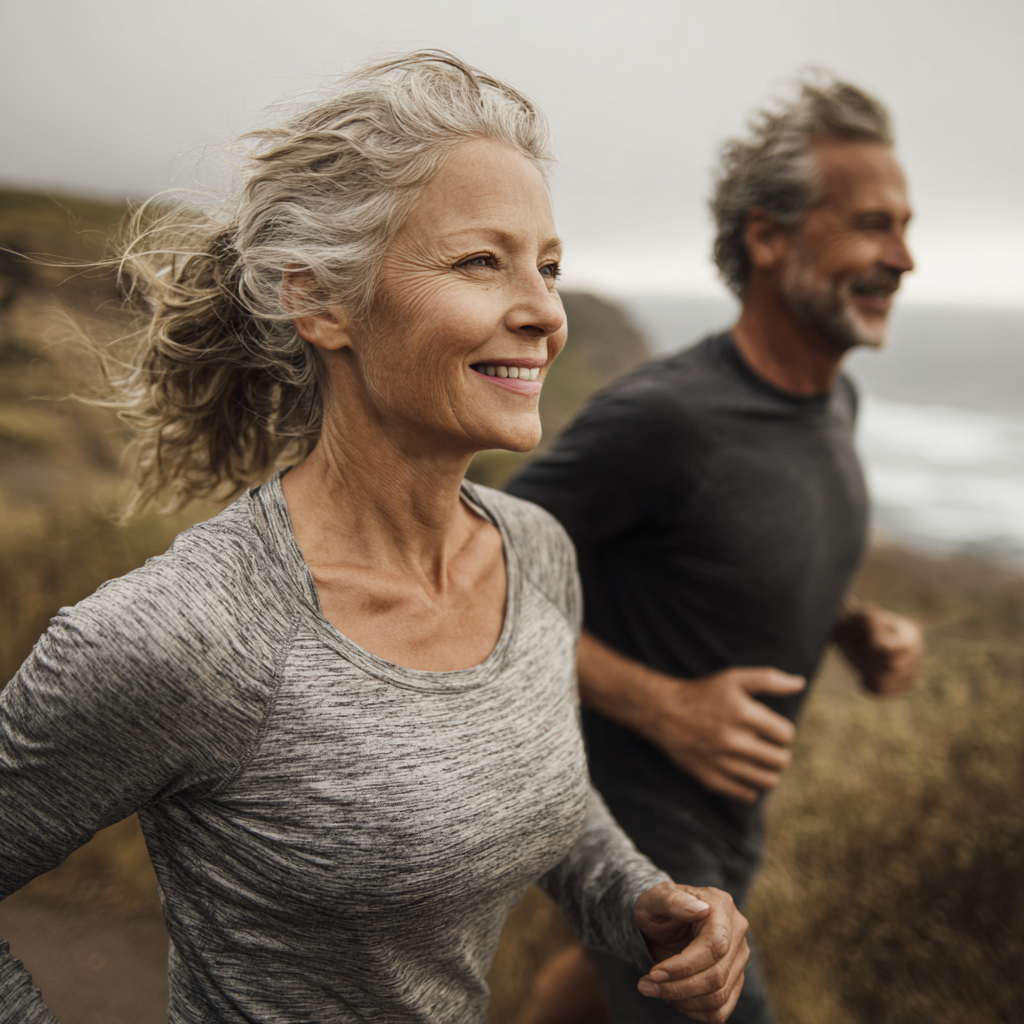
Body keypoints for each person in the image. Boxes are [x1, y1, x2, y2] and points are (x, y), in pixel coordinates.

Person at [0, 52, 750, 1024]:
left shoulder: (535, 554)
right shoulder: (184, 635)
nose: (544, 312)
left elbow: (538, 794)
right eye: (482, 260)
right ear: (319, 302)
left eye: (549, 266)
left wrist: (641, 900)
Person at [507, 75, 924, 1024]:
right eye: (870, 225)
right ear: (768, 238)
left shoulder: (832, 404)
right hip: (635, 825)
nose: (903, 257)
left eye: (905, 225)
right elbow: (469, 566)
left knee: (591, 989)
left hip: (735, 823)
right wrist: (664, 706)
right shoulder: (665, 418)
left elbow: (744, 547)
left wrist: (849, 626)